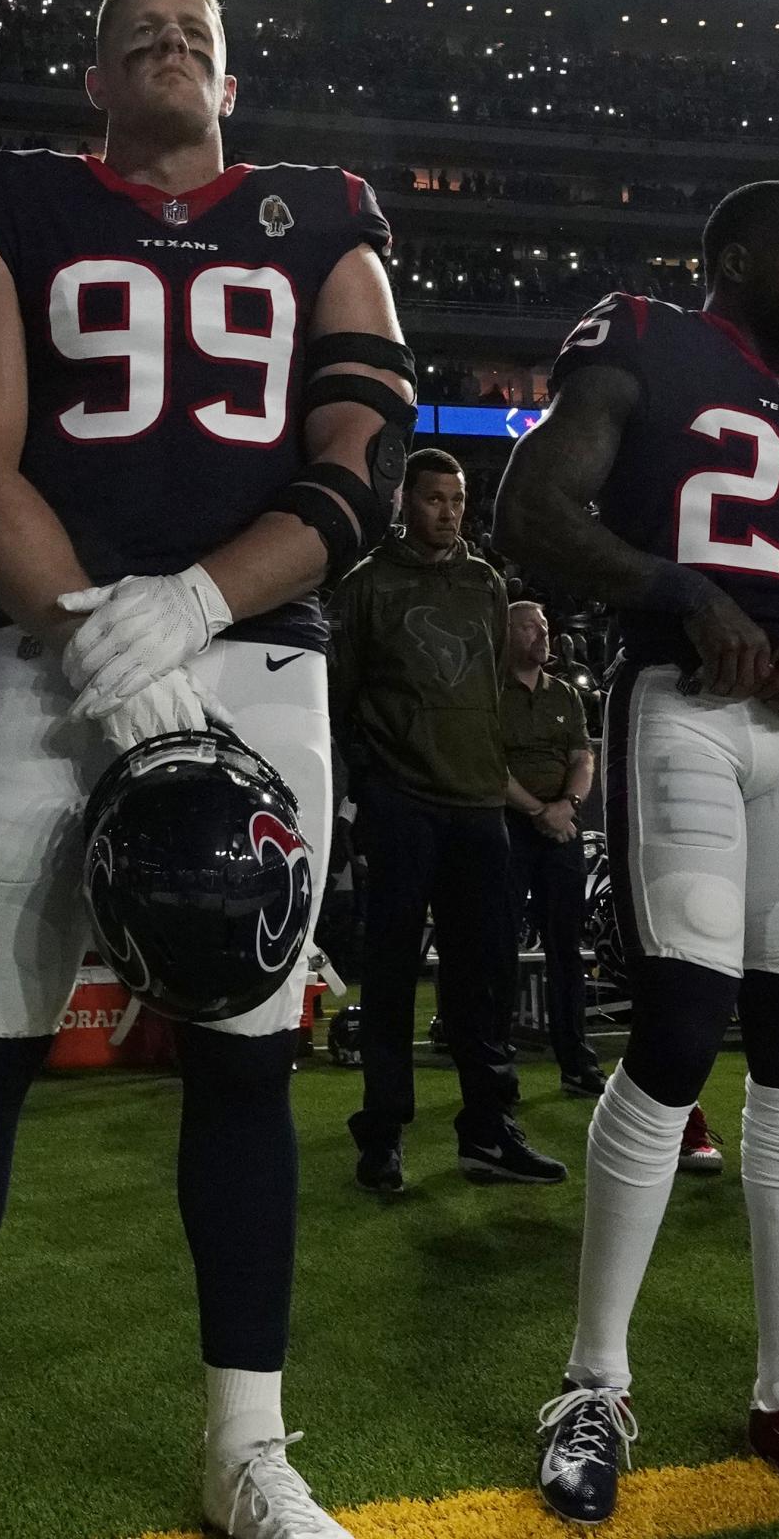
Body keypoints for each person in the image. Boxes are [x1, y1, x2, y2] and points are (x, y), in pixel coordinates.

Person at [0, 0, 409, 1539]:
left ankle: (249, 1452)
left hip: (264, 659)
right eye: (139, 27)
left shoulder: (323, 210)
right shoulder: (9, 200)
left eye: (199, 32)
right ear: (93, 76)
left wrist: (203, 598)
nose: (171, 39)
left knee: (246, 1065)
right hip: (44, 654)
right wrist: (95, 637)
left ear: (232, 83)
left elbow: (364, 454)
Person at [500, 181, 779, 1523]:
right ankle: (592, 1381)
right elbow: (534, 510)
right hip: (677, 710)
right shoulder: (646, 336)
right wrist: (685, 589)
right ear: (736, 259)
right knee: (682, 1029)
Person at [334, 448, 558, 1191]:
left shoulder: (486, 583)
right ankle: (383, 1133)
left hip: (476, 805)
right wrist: (363, 789)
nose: (449, 510)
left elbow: (491, 687)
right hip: (402, 803)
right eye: (435, 498)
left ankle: (488, 1132)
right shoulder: (368, 585)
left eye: (458, 499)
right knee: (393, 977)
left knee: (485, 979)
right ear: (407, 502)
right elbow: (342, 695)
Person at [500, 599, 602, 1099]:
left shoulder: (565, 693)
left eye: (544, 626)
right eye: (528, 628)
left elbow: (583, 758)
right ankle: (497, 1068)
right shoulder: (488, 694)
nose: (542, 635)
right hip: (509, 830)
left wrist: (566, 804)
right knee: (497, 949)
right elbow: (486, 766)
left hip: (560, 829)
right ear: (505, 635)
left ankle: (576, 1063)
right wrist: (538, 811)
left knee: (566, 951)